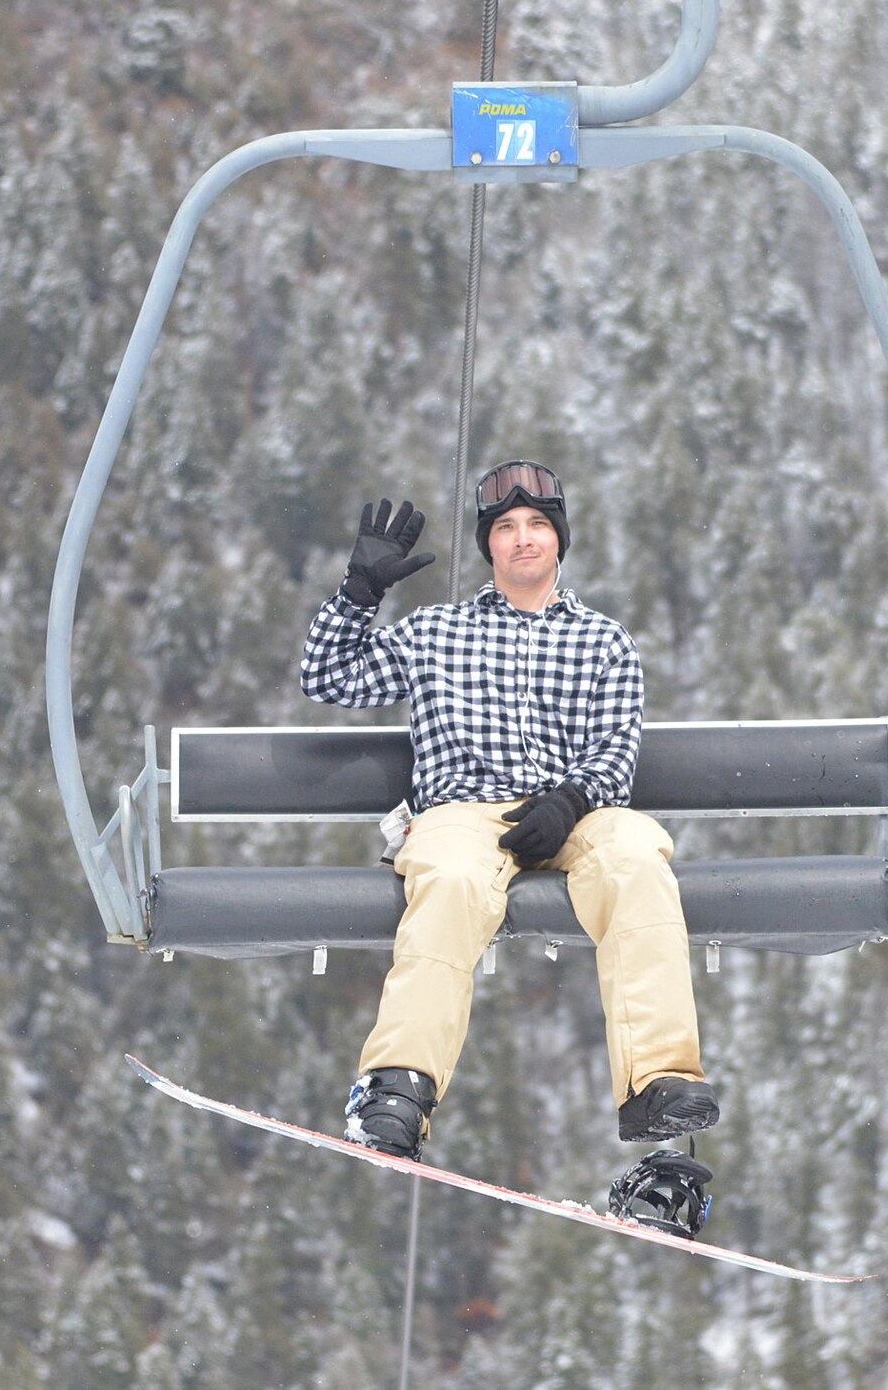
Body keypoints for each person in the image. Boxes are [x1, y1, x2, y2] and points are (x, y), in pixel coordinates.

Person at [299, 459, 719, 1161]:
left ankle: (657, 1077)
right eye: (505, 528)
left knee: (637, 858)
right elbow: (326, 675)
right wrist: (358, 592)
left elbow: (617, 748)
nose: (523, 539)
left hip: (574, 811)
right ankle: (397, 1086)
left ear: (558, 540)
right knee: (453, 883)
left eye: (535, 525)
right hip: (462, 811)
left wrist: (571, 799)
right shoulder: (435, 633)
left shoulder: (603, 642)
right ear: (488, 546)